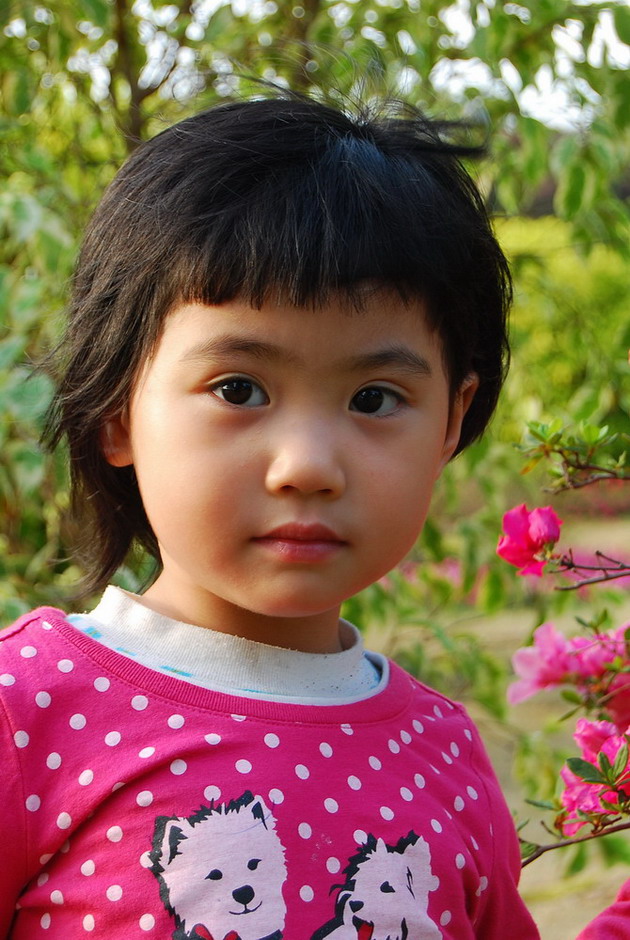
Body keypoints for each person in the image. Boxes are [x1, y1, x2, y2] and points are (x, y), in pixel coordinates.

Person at [0, 92, 541, 939]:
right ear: (115, 411)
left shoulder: (444, 754)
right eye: (237, 389)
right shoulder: (26, 711)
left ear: (450, 419)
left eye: (374, 398)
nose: (307, 467)